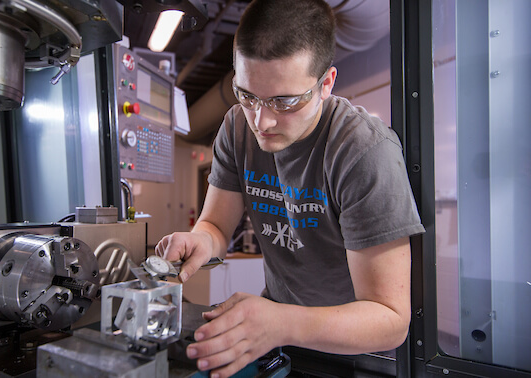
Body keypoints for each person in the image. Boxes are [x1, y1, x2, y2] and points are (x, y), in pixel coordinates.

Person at [156, 0, 425, 376]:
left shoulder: (362, 150)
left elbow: (389, 319)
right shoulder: (236, 127)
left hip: (354, 350)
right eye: (247, 94)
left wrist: (281, 322)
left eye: (284, 101)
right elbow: (216, 226)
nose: (261, 120)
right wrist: (201, 239)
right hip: (280, 335)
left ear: (326, 83)